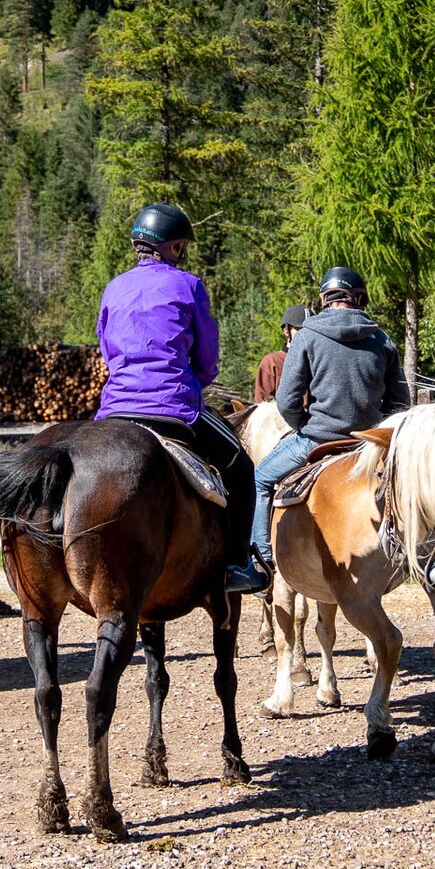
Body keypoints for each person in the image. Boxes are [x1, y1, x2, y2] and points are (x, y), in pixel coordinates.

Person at [95, 202, 269, 594]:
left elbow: (106, 349)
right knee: (242, 470)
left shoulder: (114, 287)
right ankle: (237, 565)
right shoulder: (188, 285)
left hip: (116, 411)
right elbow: (207, 358)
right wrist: (196, 379)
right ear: (173, 248)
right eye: (182, 247)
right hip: (174, 409)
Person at [251, 266, 411, 570]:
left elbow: (286, 399)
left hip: (317, 438)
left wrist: (303, 425)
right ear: (360, 299)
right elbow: (400, 402)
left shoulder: (308, 335)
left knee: (258, 479)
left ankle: (260, 561)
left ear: (325, 298)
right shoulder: (381, 339)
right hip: (368, 443)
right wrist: (377, 432)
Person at [254, 305, 309, 403]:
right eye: (299, 329)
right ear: (286, 331)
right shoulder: (272, 362)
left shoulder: (319, 360)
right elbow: (263, 405)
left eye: (310, 330)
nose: (306, 334)